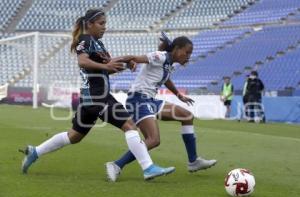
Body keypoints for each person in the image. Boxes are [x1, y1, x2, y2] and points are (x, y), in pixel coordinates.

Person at [20, 9, 175, 181]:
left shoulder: (98, 44)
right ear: (90, 24)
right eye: (101, 24)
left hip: (92, 99)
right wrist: (107, 67)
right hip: (97, 97)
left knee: (74, 136)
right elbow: (83, 61)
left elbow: (106, 66)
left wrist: (124, 63)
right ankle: (148, 168)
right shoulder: (85, 40)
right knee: (130, 126)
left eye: (105, 24)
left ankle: (36, 151)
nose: (104, 27)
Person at [105, 32, 217, 182]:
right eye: (187, 52)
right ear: (177, 49)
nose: (189, 56)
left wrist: (179, 95)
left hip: (150, 101)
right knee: (153, 140)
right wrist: (112, 62)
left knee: (187, 116)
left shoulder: (169, 63)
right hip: (138, 100)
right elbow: (134, 58)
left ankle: (193, 161)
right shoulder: (160, 56)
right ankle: (116, 165)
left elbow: (166, 79)